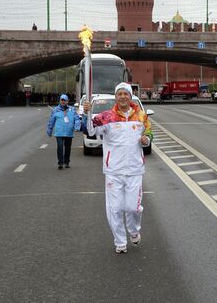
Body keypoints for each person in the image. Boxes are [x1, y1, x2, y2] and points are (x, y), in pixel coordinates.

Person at [82, 82, 153, 254]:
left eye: (126, 94)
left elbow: (149, 134)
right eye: (120, 94)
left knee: (132, 207)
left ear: (130, 96)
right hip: (113, 170)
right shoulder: (106, 117)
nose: (123, 97)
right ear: (116, 96)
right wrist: (87, 113)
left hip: (135, 170)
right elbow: (89, 130)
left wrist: (147, 140)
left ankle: (134, 229)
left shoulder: (142, 116)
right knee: (115, 208)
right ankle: (120, 241)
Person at [46, 94, 81, 169]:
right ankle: (60, 163)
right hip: (59, 133)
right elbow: (51, 122)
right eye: (62, 100)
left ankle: (67, 162)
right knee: (60, 147)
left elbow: (77, 119)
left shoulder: (72, 110)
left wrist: (77, 127)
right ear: (60, 101)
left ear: (67, 101)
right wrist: (49, 131)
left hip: (69, 133)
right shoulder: (55, 110)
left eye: (64, 100)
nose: (63, 101)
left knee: (67, 148)